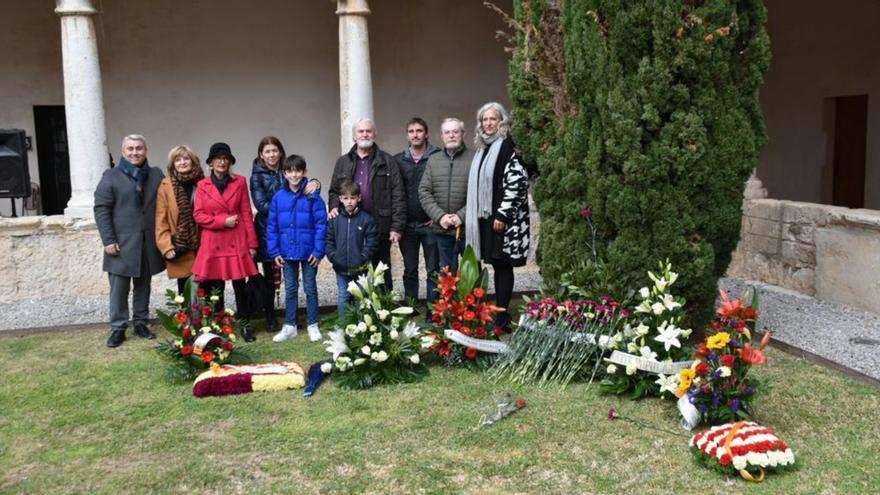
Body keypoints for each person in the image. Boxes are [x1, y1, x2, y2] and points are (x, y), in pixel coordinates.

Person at [94, 134, 166, 348]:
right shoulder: (110, 176)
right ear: (123, 151)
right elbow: (101, 210)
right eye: (130, 149)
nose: (135, 152)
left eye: (139, 148)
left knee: (143, 286)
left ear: (146, 151)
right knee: (119, 289)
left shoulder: (156, 175)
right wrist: (108, 239)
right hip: (120, 243)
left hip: (146, 242)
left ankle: (141, 323)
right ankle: (118, 327)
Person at [465, 102, 530, 332]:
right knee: (492, 263)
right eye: (484, 119)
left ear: (502, 121)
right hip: (485, 218)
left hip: (503, 220)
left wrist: (502, 214)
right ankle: (484, 313)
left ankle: (502, 318)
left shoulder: (508, 146)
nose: (488, 123)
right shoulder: (482, 148)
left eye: (493, 119)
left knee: (502, 266)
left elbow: (517, 182)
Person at [249, 136, 321, 333]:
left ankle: (297, 319)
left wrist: (315, 183)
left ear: (280, 152)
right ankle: (271, 317)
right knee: (271, 279)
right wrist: (285, 206)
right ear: (261, 155)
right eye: (267, 151)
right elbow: (261, 204)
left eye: (275, 150)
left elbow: (304, 186)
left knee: (300, 283)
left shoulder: (287, 170)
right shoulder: (256, 176)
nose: (272, 154)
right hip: (269, 231)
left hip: (296, 231)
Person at [192, 142, 259, 342]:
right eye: (218, 159)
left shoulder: (240, 181)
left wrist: (252, 244)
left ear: (230, 162)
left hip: (237, 240)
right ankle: (219, 326)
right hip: (213, 241)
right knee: (216, 288)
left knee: (240, 287)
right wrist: (223, 221)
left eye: (225, 159)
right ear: (211, 163)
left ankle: (245, 325)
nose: (222, 162)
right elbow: (199, 215)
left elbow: (246, 213)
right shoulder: (202, 185)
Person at [328, 118, 405, 289]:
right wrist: (334, 207)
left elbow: (398, 195)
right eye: (361, 131)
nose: (365, 134)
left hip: (380, 224)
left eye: (368, 131)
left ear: (374, 134)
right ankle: (356, 313)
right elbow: (334, 190)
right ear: (354, 136)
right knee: (355, 274)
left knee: (381, 271)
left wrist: (397, 226)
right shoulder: (343, 162)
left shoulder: (388, 161)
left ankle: (383, 313)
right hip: (350, 225)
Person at [267, 155, 328, 343]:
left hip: (309, 252)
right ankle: (290, 325)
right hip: (287, 251)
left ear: (304, 172)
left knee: (310, 288)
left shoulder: (313, 195)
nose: (294, 175)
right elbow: (272, 225)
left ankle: (312, 324)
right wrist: (275, 251)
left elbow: (321, 224)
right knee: (291, 288)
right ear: (284, 174)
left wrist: (318, 251)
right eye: (290, 171)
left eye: (298, 171)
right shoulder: (278, 197)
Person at [394, 117, 441, 312]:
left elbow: (441, 188)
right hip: (407, 225)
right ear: (407, 135)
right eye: (411, 131)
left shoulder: (437, 156)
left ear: (426, 133)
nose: (415, 134)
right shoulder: (399, 160)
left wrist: (437, 215)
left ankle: (433, 309)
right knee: (410, 269)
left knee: (433, 270)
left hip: (430, 223)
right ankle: (411, 307)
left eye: (419, 130)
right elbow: (396, 192)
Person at [419, 117, 474, 276]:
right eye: (447, 132)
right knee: (446, 276)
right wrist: (440, 216)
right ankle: (449, 303)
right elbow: (424, 191)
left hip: (469, 231)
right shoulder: (433, 160)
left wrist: (461, 216)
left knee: (470, 275)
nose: (451, 135)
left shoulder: (475, 158)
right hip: (442, 230)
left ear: (463, 134)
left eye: (455, 131)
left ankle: (470, 302)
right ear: (442, 136)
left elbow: (480, 194)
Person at [325, 179, 378, 320]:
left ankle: (361, 325)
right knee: (343, 296)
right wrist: (334, 257)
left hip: (360, 268)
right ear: (340, 199)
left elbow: (372, 242)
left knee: (361, 297)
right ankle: (344, 326)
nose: (349, 202)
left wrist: (363, 257)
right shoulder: (334, 220)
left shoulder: (366, 219)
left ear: (359, 198)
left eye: (353, 198)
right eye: (346, 198)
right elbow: (329, 241)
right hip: (341, 267)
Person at [155, 145, 204, 294]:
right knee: (186, 289)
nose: (182, 162)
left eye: (186, 158)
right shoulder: (166, 186)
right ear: (172, 164)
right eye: (178, 160)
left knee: (208, 288)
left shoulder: (204, 183)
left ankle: (211, 317)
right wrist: (166, 246)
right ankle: (189, 317)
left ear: (193, 161)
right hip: (182, 246)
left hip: (204, 243)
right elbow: (161, 219)